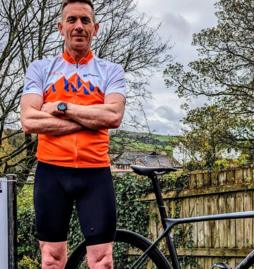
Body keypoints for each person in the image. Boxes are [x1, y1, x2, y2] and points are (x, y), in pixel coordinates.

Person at [20, 0, 126, 268]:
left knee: (102, 261)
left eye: (85, 20)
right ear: (60, 27)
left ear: (95, 28)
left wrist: (61, 108)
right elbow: (29, 119)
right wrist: (90, 119)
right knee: (51, 259)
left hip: (95, 172)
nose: (78, 26)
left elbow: (113, 116)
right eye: (72, 20)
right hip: (51, 172)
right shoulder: (40, 69)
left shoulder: (111, 71)